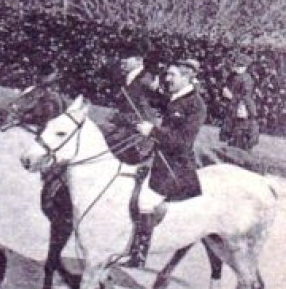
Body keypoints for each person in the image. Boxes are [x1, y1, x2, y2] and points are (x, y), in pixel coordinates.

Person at [127, 58, 206, 268]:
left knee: (146, 199)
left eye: (172, 75)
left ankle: (139, 253)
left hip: (176, 165)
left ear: (187, 77)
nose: (167, 78)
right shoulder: (174, 98)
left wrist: (152, 131)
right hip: (158, 158)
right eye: (167, 74)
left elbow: (183, 142)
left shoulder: (196, 105)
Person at [103, 51, 162, 163]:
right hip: (124, 125)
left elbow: (154, 103)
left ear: (139, 60)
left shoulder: (146, 78)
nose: (122, 60)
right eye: (121, 57)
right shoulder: (124, 78)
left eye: (127, 57)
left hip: (140, 128)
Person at [218, 55, 258, 152]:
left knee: (240, 131)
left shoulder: (247, 79)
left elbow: (246, 96)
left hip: (242, 107)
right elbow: (225, 88)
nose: (237, 67)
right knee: (231, 131)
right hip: (232, 107)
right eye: (236, 64)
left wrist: (231, 96)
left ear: (245, 67)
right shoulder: (232, 76)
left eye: (240, 65)